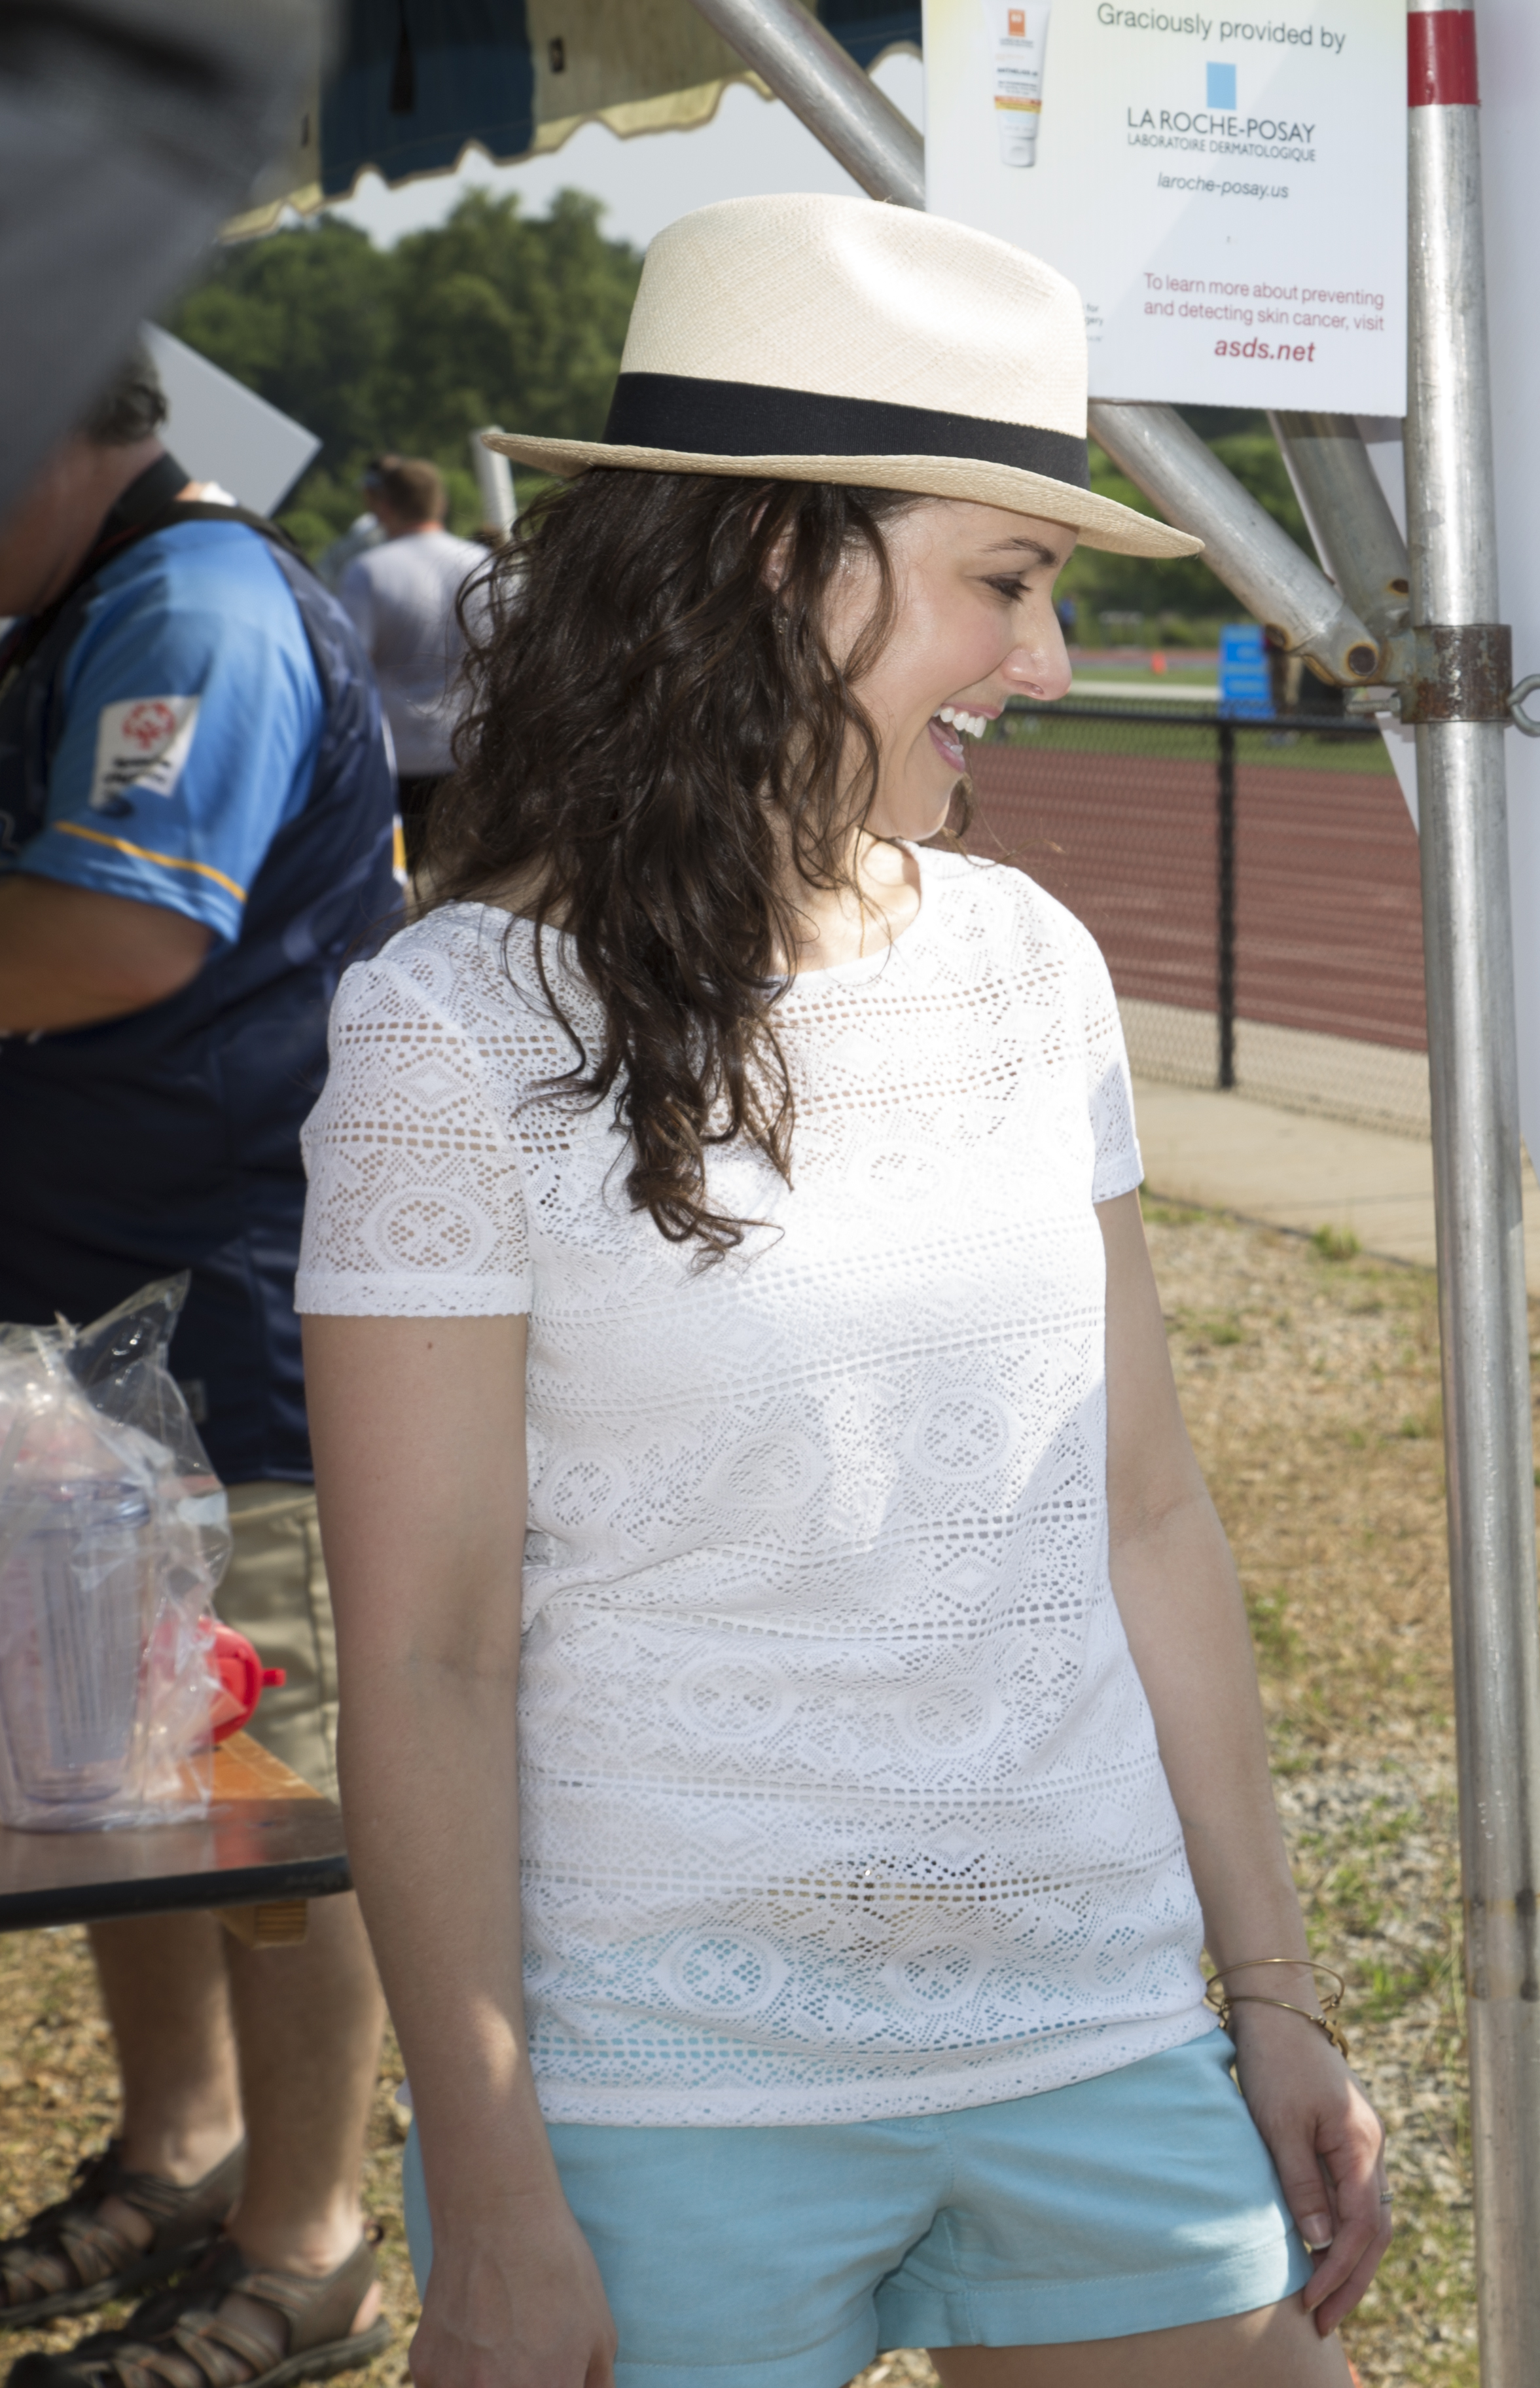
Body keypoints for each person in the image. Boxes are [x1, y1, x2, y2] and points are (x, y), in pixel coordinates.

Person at [297, 192, 1386, 2388]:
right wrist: (495, 2195)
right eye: (1009, 581)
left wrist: (1266, 1987)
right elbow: (421, 1654)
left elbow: (1146, 1508)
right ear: (784, 566)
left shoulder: (1029, 964)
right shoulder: (453, 1032)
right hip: (651, 2083)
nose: (1050, 662)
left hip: (1086, 2020)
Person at [0, 345, 403, 2383]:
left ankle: (310, 2241)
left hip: (228, 1313)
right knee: (101, 1776)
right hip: (89, 1314)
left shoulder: (197, 607)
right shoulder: (83, 602)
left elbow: (116, 939)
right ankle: (184, 2154)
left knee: (258, 1795)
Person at [329, 456, 486, 855]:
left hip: (397, 758)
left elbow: (349, 668)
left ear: (384, 506)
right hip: (471, 752)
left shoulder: (369, 571)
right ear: (441, 504)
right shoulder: (485, 565)